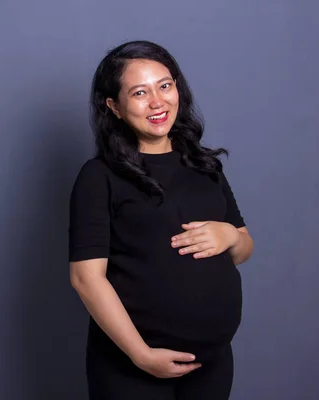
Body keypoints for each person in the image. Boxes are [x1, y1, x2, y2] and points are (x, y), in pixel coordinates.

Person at [68, 40, 255, 400]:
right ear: (115, 107)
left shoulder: (205, 166)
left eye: (165, 85)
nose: (158, 102)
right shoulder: (100, 176)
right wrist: (141, 355)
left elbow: (244, 248)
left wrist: (230, 235)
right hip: (132, 366)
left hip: (211, 363)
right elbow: (85, 279)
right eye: (140, 92)